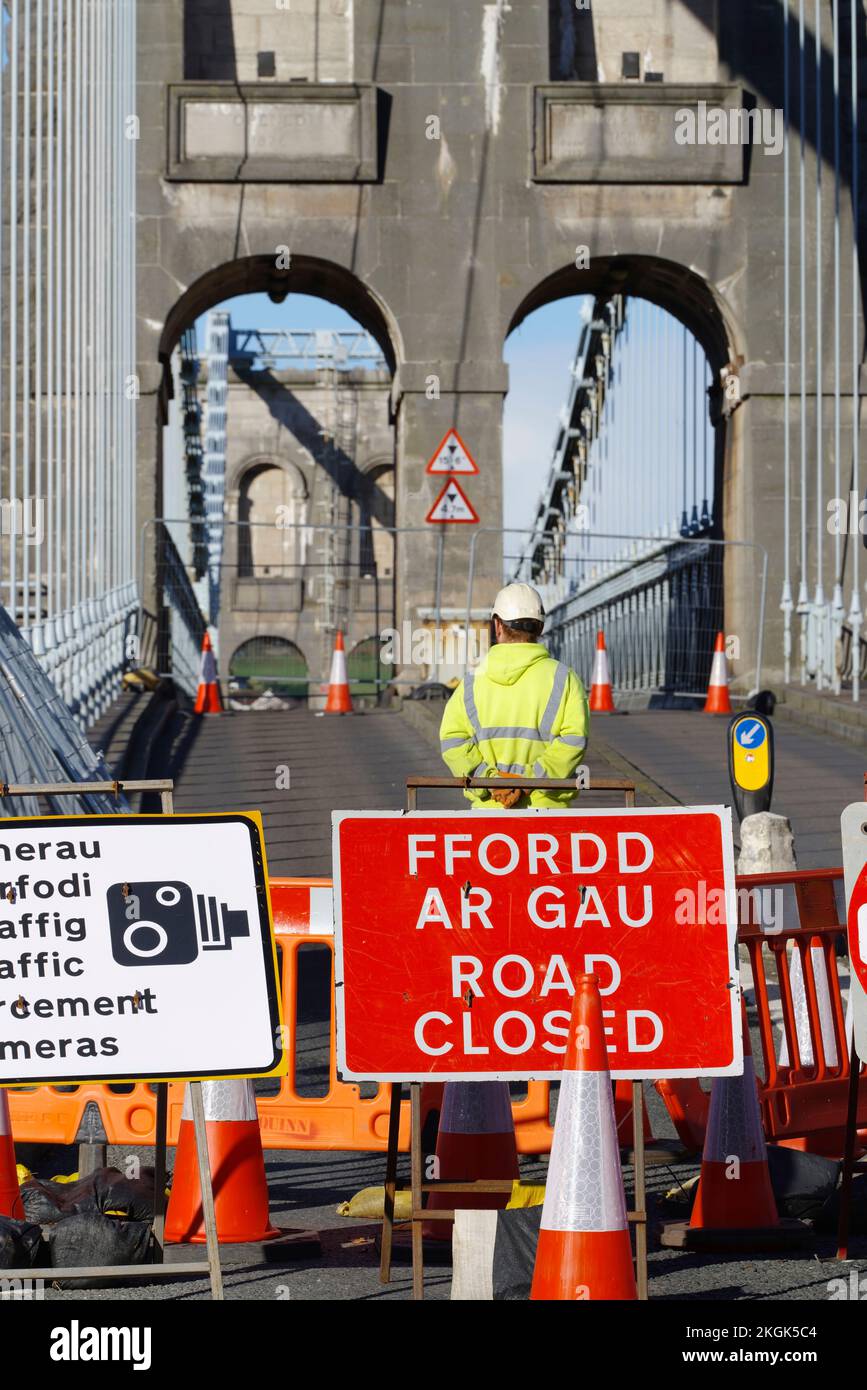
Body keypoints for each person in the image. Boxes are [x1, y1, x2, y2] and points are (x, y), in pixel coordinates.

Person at [439, 581, 589, 809]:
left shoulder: (471, 683)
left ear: (497, 625)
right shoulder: (564, 679)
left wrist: (490, 780)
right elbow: (573, 741)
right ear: (539, 628)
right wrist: (530, 780)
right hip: (548, 816)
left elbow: (453, 741)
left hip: (488, 815)